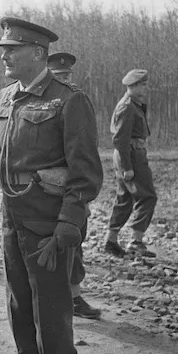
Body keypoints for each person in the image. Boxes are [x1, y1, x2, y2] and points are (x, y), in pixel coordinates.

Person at [0, 17, 103, 354]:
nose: (4, 55)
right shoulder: (3, 98)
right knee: (19, 304)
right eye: (3, 49)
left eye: (12, 49)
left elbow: (85, 173)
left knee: (53, 309)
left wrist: (69, 223)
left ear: (38, 53)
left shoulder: (69, 100)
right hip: (12, 218)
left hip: (48, 224)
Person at [47, 52, 102, 321]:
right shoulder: (39, 101)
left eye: (66, 76)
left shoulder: (76, 100)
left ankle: (74, 296)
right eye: (58, 77)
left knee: (75, 240)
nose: (64, 81)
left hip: (70, 186)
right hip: (45, 189)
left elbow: (85, 151)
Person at [103, 69, 157, 258]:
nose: (145, 88)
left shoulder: (135, 104)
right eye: (142, 84)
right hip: (131, 155)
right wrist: (127, 167)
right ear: (132, 87)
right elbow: (120, 139)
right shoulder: (127, 107)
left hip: (132, 154)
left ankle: (111, 240)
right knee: (148, 197)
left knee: (124, 199)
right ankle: (135, 241)